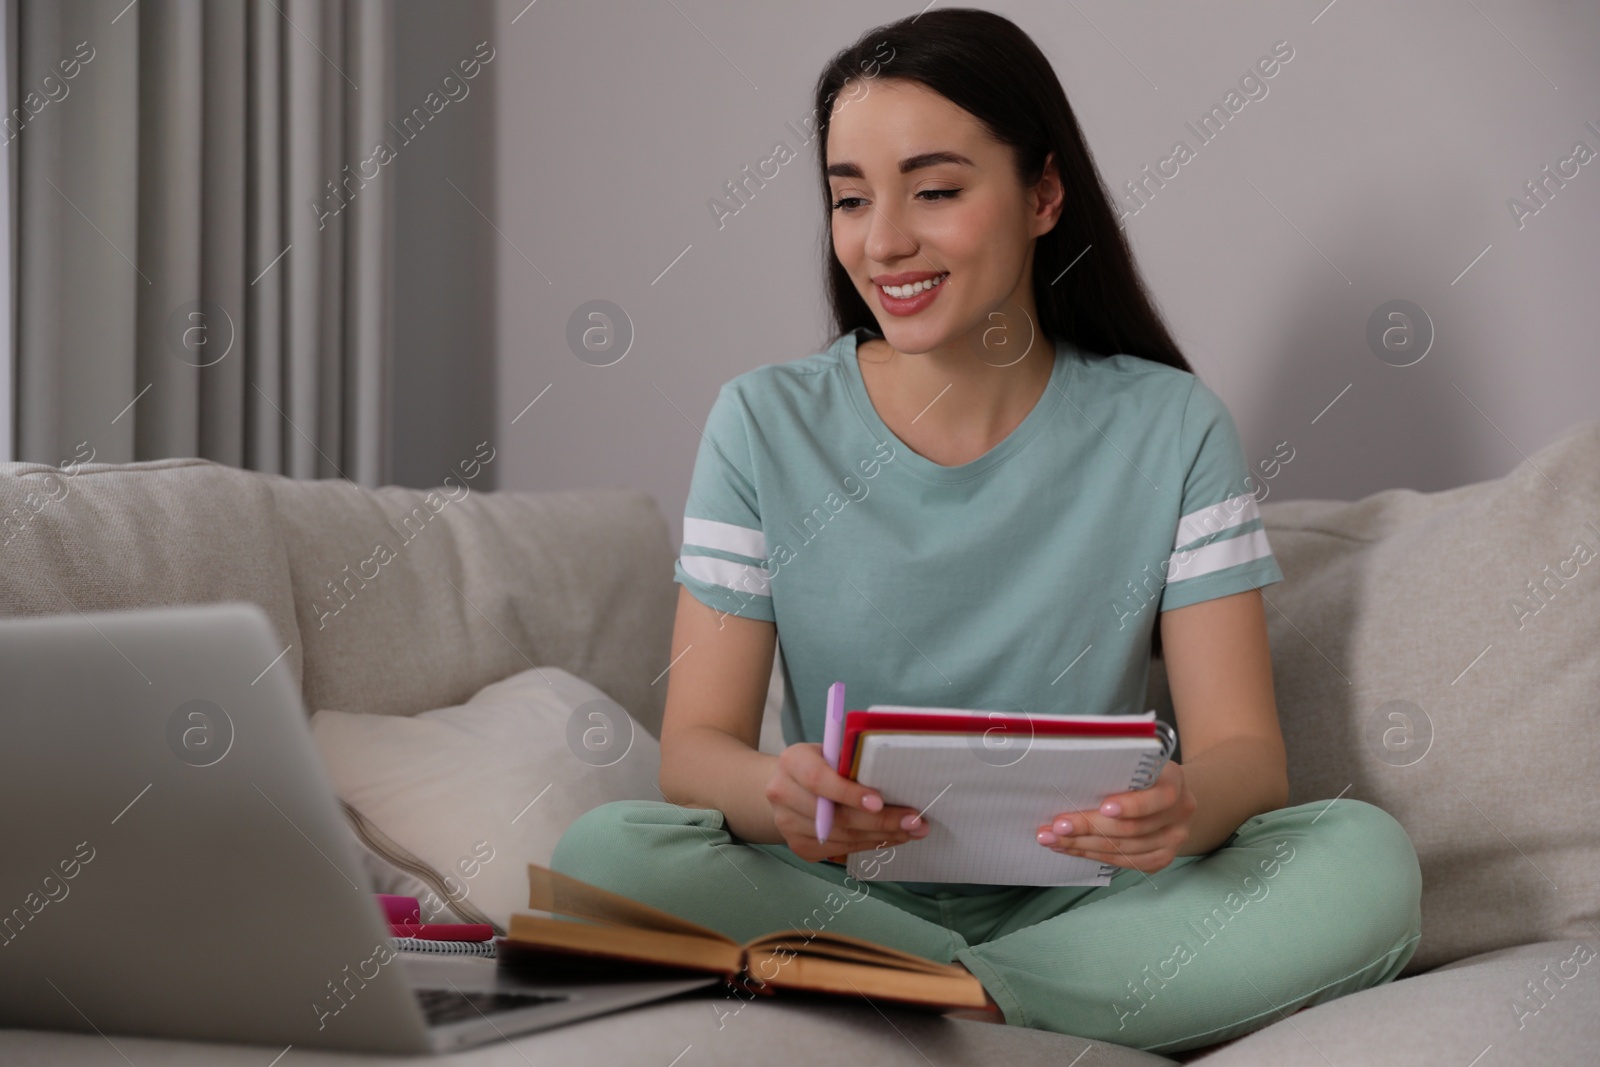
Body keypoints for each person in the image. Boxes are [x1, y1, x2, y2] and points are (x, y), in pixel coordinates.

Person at [551, 8, 1421, 1056]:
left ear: (1042, 194)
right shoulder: (761, 423)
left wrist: (1181, 809)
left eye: (935, 190)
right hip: (838, 887)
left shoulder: (1170, 425)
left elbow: (1245, 753)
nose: (883, 240)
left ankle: (945, 994)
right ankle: (1008, 997)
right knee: (607, 853)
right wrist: (772, 794)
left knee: (1362, 861)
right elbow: (696, 751)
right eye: (849, 198)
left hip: (1091, 902)